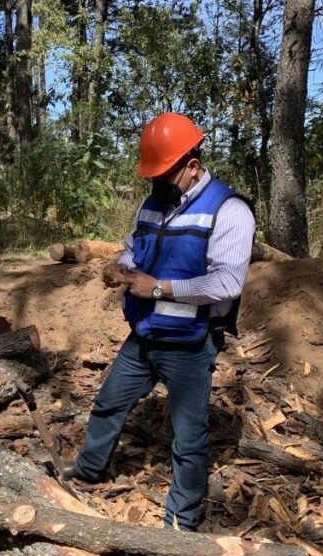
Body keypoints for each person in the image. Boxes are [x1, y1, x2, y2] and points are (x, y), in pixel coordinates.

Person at [63, 112, 256, 532]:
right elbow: (137, 249)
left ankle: (180, 522)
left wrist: (158, 289)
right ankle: (88, 469)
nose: (157, 183)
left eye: (164, 174)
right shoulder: (153, 203)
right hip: (144, 335)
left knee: (188, 439)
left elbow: (226, 283)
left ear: (191, 165)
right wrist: (122, 265)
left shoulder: (230, 211)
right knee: (109, 403)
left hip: (189, 343)